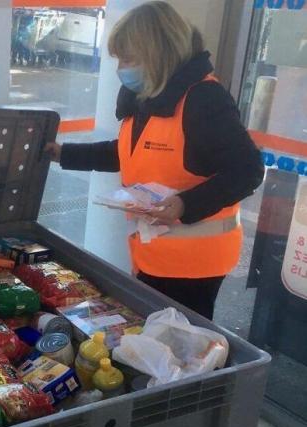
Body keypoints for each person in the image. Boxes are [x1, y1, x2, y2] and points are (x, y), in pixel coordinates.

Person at [45, 1, 265, 320]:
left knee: (182, 355)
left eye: (129, 58)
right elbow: (128, 152)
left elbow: (248, 169)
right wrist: (64, 153)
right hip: (153, 253)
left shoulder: (204, 100)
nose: (122, 67)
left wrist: (186, 204)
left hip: (193, 266)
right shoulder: (149, 96)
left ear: (158, 53)